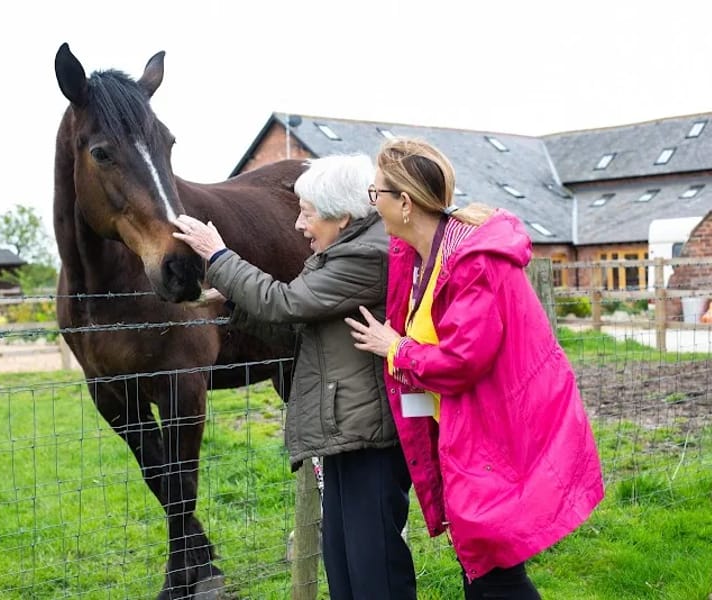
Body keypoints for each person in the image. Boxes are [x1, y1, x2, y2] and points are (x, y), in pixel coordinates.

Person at [345, 138, 604, 600]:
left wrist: (397, 349)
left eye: (376, 195)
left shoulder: (472, 262)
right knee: (480, 565)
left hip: (502, 428)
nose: (373, 206)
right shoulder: (424, 256)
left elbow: (464, 359)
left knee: (493, 572)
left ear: (404, 202)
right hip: (474, 428)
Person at [172, 154, 417, 600]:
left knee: (373, 566)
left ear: (342, 215)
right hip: (346, 427)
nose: (300, 225)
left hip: (368, 433)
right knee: (343, 560)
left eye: (307, 213)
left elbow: (285, 304)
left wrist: (219, 256)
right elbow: (296, 329)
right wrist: (232, 299)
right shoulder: (339, 252)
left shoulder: (364, 256)